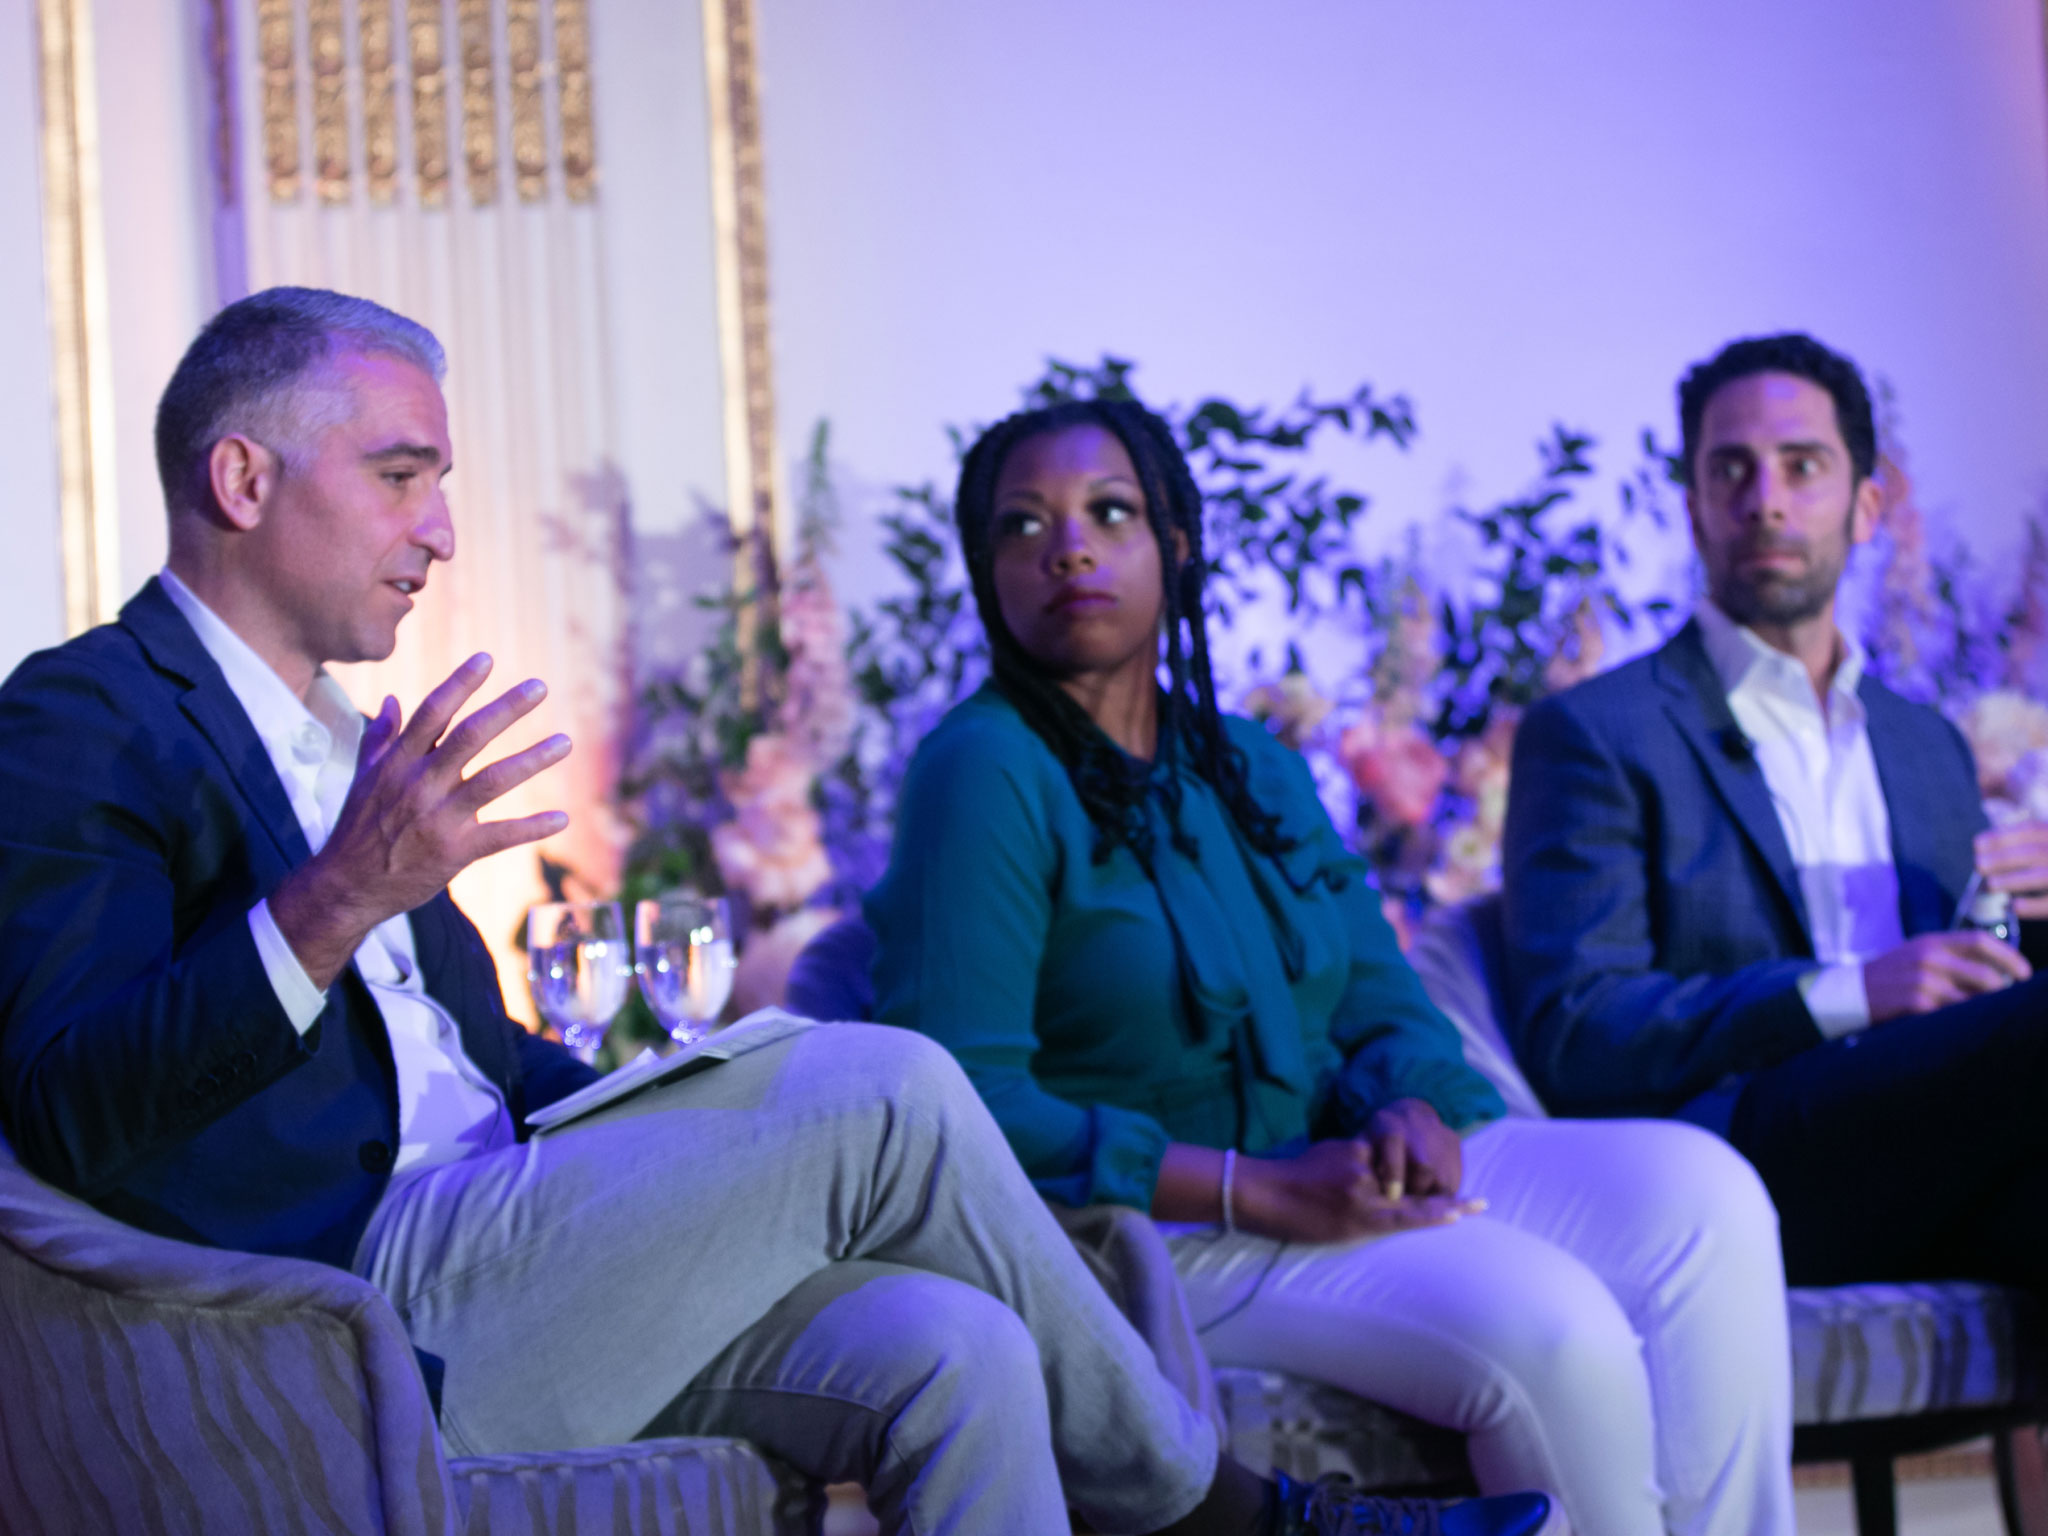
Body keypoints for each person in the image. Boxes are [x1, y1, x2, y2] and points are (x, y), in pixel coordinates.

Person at [0, 287, 1545, 1536]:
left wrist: (673, 1108)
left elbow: (476, 1072)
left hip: (529, 1243)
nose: (442, 531)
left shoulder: (349, 738)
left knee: (958, 1350)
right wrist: (338, 896)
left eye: (441, 486)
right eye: (404, 476)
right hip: (348, 1306)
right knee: (886, 1082)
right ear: (244, 478)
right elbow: (67, 1108)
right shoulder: (81, 721)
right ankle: (1234, 1519)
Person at [865, 396, 1796, 1536]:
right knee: (1556, 1324)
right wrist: (1244, 1186)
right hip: (1148, 1238)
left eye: (1110, 512)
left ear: (1175, 546)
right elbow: (957, 1110)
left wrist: (1408, 1100)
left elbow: (1377, 998)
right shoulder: (978, 774)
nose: (1066, 547)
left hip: (1319, 1176)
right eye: (1022, 526)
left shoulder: (1246, 764)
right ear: (984, 569)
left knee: (1700, 1195)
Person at [1501, 331, 2048, 1290]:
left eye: (1803, 467)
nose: (1767, 500)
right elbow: (1576, 1030)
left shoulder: (1929, 746)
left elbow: (1984, 992)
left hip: (1945, 1146)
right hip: (1748, 1157)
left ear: (1869, 505)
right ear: (1694, 509)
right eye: (1732, 470)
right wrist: (1850, 992)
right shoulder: (1596, 731)